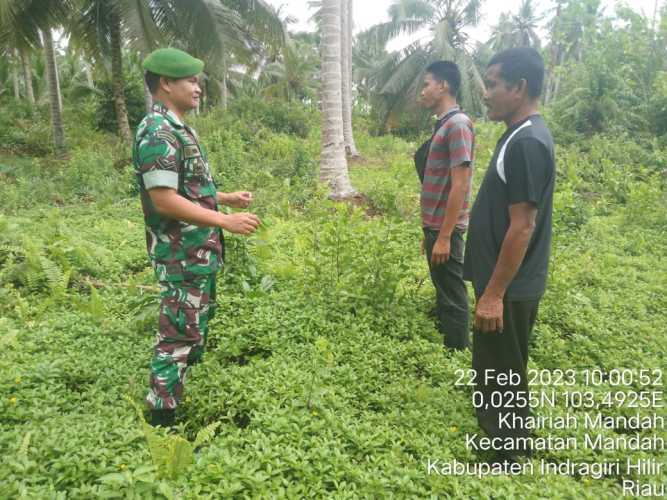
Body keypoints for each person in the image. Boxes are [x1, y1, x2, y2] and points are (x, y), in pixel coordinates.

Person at [132, 48, 261, 427]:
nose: (198, 88)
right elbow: (163, 199)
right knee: (176, 337)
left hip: (195, 253)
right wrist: (224, 219)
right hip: (180, 254)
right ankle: (162, 420)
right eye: (190, 80)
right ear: (165, 83)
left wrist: (224, 197)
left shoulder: (177, 127)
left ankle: (176, 399)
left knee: (191, 331)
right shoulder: (157, 131)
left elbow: (184, 186)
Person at [463, 47, 555, 462]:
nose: (486, 93)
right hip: (503, 281)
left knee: (502, 367)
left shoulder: (528, 143)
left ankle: (507, 453)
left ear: (519, 88)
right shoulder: (518, 135)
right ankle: (509, 436)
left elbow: (523, 226)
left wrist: (494, 293)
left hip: (510, 285)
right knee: (498, 364)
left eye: (494, 83)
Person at [417, 61, 475, 350]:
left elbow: (460, 184)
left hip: (445, 230)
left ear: (444, 86)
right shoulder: (443, 125)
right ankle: (447, 344)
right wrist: (428, 231)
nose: (422, 92)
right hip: (436, 227)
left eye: (426, 84)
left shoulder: (458, 125)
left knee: (452, 294)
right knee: (443, 290)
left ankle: (458, 352)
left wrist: (443, 236)